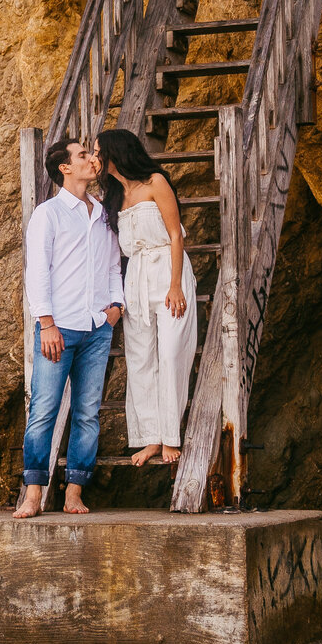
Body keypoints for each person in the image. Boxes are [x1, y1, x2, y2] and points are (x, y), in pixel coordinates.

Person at [18, 135, 124, 517]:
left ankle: (74, 491)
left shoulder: (103, 212)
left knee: (87, 412)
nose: (90, 159)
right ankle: (32, 494)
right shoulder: (48, 213)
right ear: (65, 168)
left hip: (97, 327)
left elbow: (114, 265)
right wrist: (46, 323)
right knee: (44, 409)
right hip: (57, 328)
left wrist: (116, 306)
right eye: (83, 155)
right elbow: (37, 272)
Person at [98, 128, 198, 465]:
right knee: (141, 360)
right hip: (136, 278)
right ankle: (152, 437)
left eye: (99, 152)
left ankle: (171, 435)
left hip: (167, 271)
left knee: (170, 354)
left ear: (116, 153)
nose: (96, 158)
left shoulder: (155, 182)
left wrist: (175, 285)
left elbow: (174, 234)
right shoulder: (113, 197)